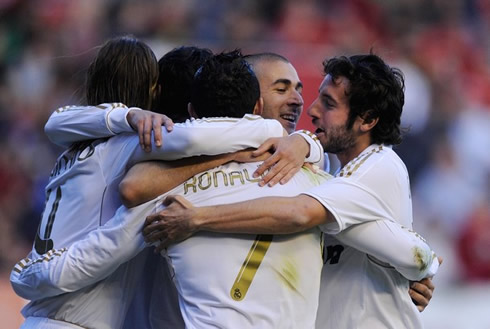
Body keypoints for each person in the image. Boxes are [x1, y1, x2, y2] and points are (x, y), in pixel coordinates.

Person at [142, 53, 440, 329]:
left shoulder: (378, 167)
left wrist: (196, 218)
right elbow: (390, 243)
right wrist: (421, 263)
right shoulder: (329, 171)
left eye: (329, 103)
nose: (308, 107)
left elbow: (300, 212)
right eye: (281, 89)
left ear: (368, 120)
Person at [11, 39, 286, 329]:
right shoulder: (129, 144)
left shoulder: (76, 147)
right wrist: (279, 132)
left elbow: (56, 121)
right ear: (152, 91)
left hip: (45, 317)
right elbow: (195, 138)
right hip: (69, 321)